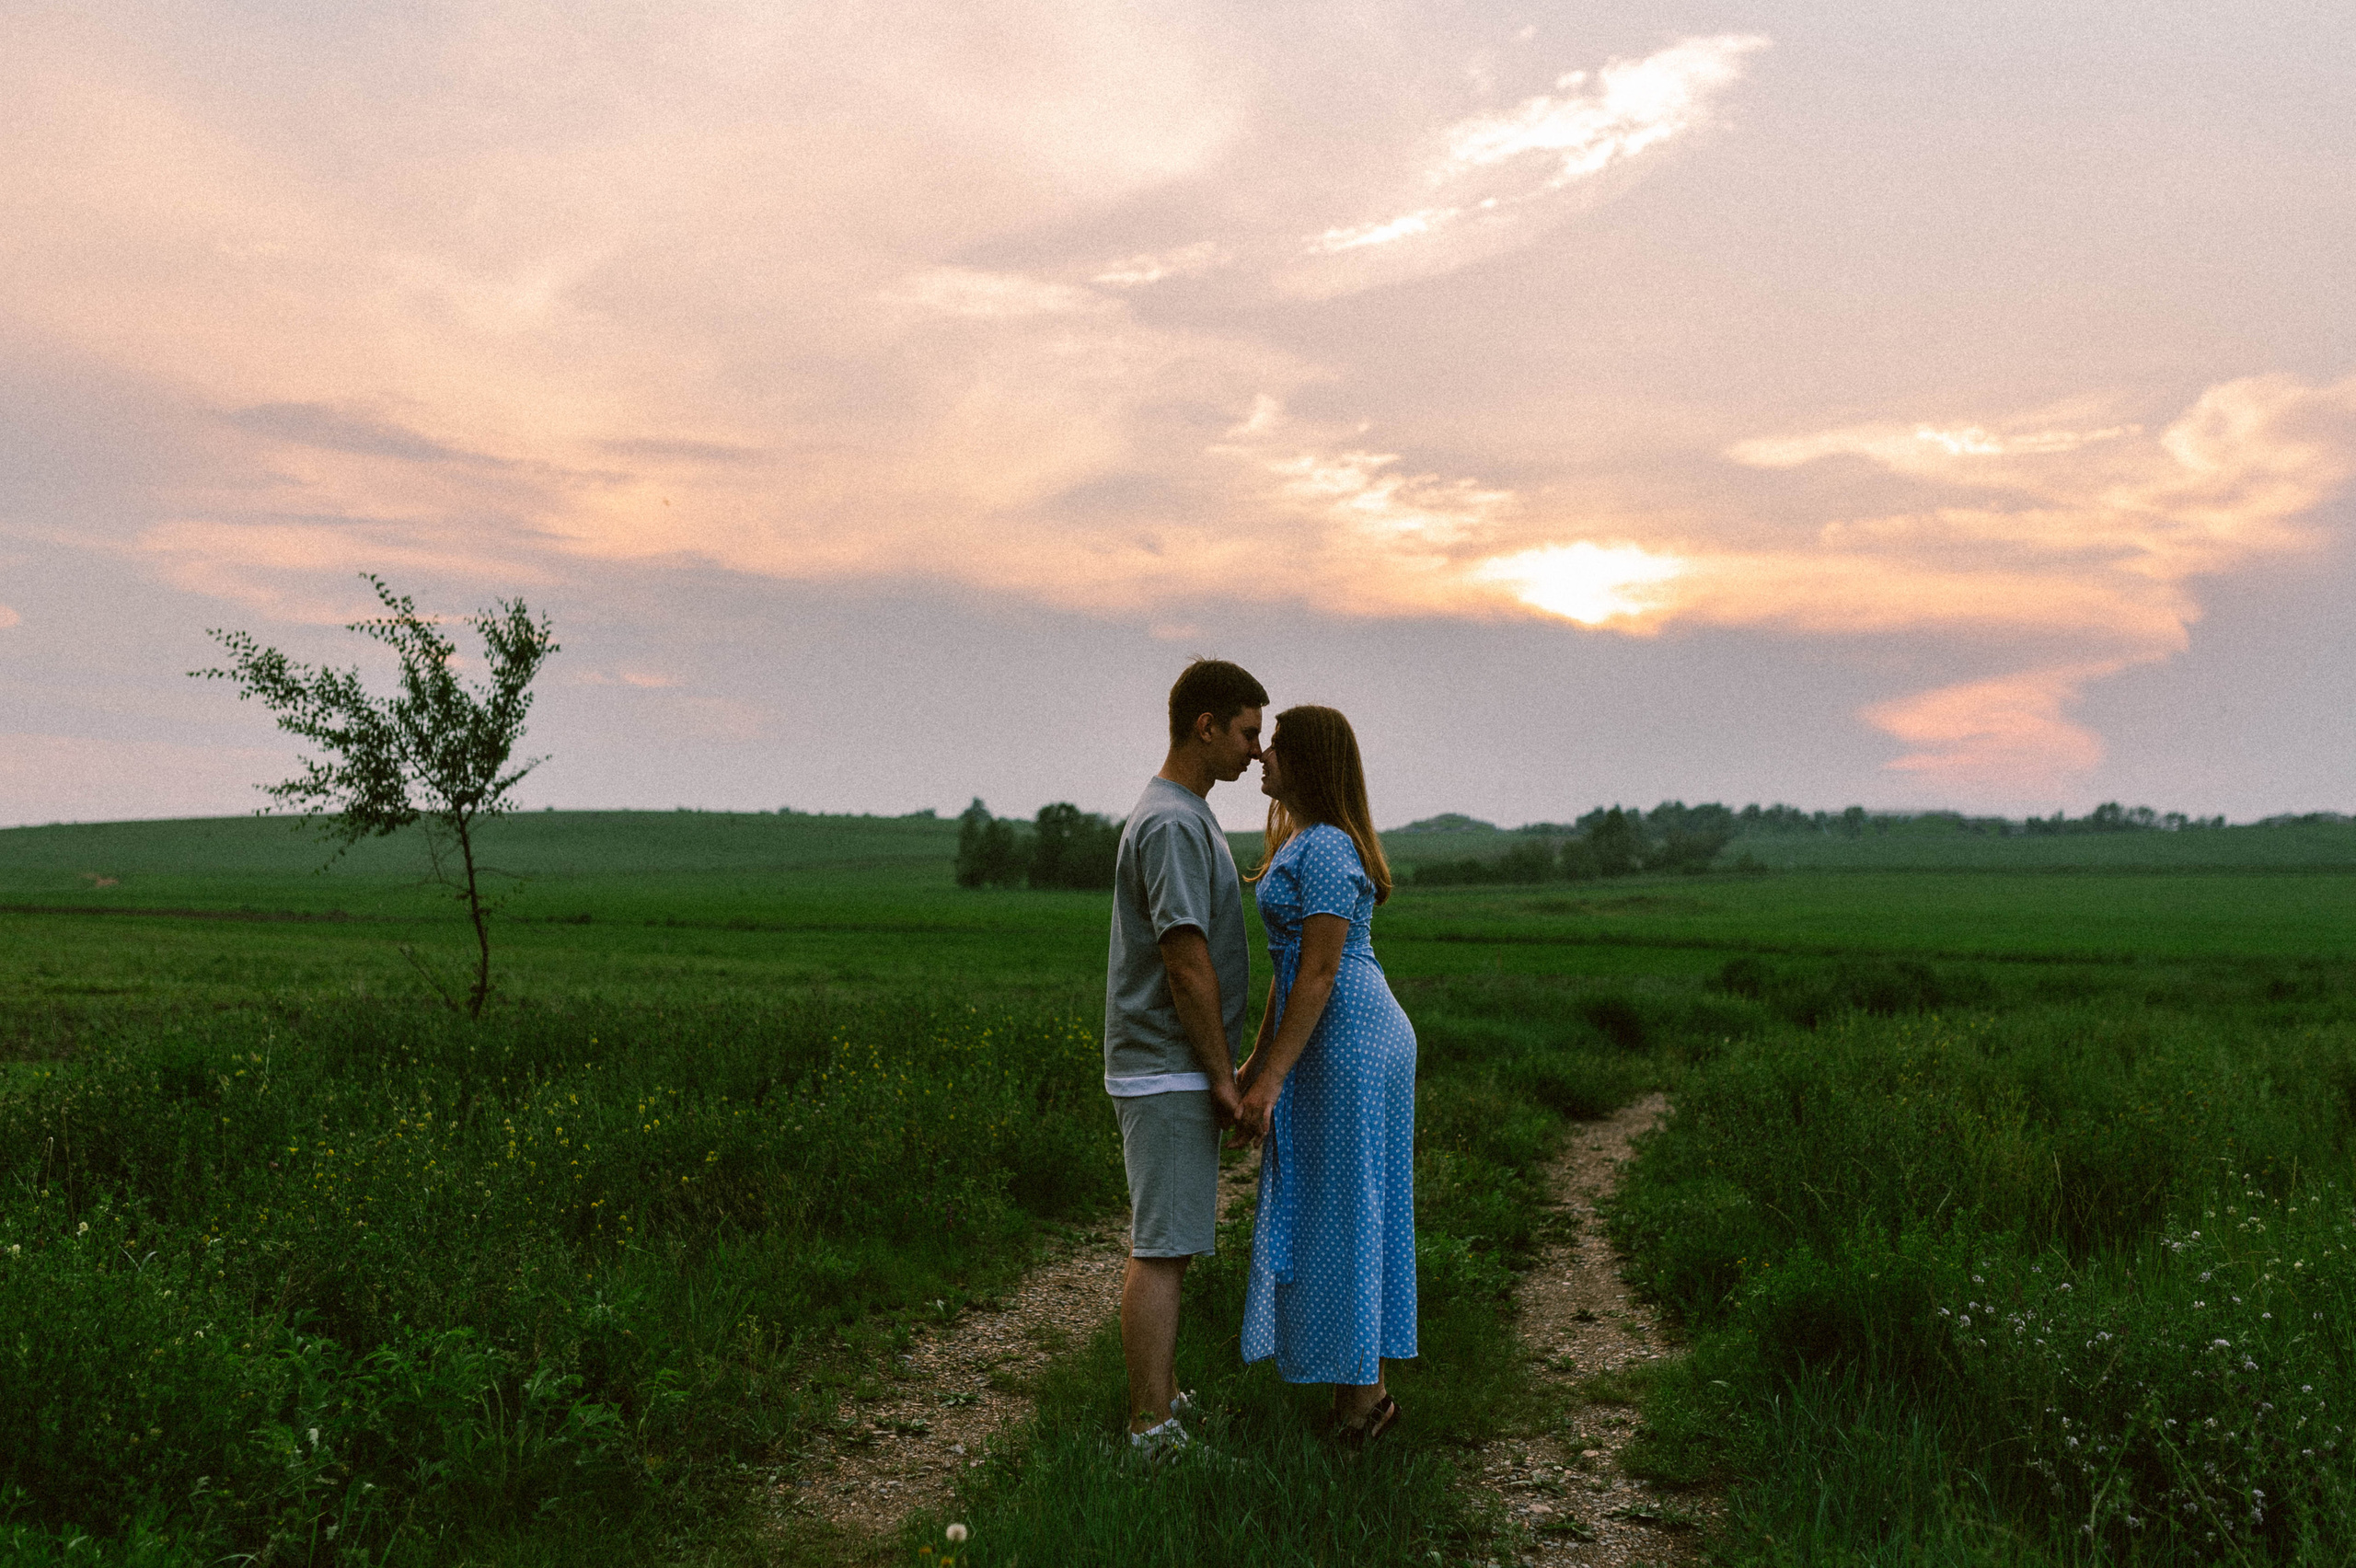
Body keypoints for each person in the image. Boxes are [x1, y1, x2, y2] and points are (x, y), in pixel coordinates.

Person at [1232, 704, 1415, 1446]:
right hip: (1329, 1035)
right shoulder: (1305, 842)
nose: (1262, 759)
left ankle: (1365, 1404)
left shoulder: (1333, 848)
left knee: (1349, 1204)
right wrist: (1258, 1057)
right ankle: (1356, 1394)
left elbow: (1320, 971)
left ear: (1307, 762)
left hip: (1353, 1039)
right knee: (1334, 1203)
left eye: (1274, 748)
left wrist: (1273, 1081)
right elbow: (1290, 969)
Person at [1103, 658, 1267, 1456]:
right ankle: (1148, 1429)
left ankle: (1164, 1399)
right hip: (1167, 1064)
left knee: (1176, 1240)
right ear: (1204, 726)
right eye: (1245, 733)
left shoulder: (1186, 812)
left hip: (1174, 1064)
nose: (1254, 752)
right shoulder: (1171, 821)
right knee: (1161, 1247)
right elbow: (1183, 956)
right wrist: (1219, 1074)